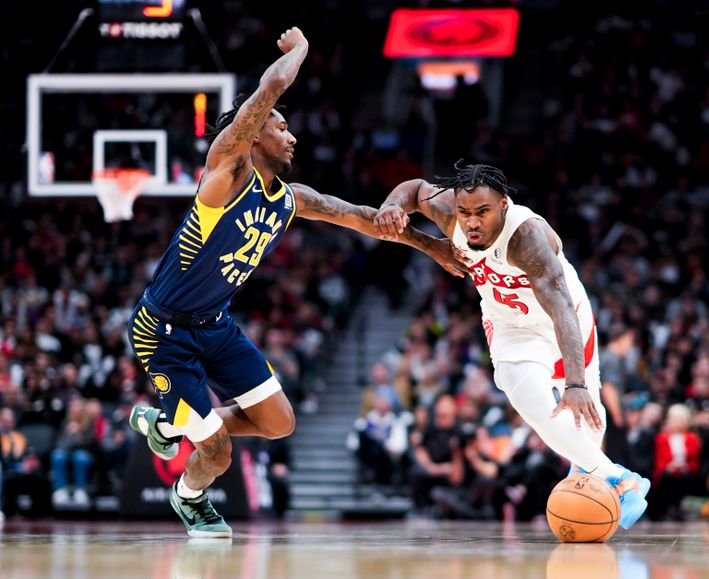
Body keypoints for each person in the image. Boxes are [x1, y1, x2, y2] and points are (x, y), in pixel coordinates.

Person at [127, 27, 468, 538]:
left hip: (215, 326)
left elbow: (363, 217)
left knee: (279, 422)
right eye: (281, 127)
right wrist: (303, 50)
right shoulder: (224, 171)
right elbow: (265, 95)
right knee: (217, 451)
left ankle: (168, 421)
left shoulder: (292, 198)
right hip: (164, 331)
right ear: (257, 130)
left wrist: (432, 245)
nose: (292, 136)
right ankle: (190, 495)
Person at [373, 161, 650, 528]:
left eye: (482, 212)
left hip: (562, 316)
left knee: (587, 415)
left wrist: (576, 383)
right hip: (508, 322)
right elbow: (415, 188)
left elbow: (561, 304)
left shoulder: (527, 235)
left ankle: (588, 472)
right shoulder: (449, 213)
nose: (471, 222)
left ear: (503, 204)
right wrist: (392, 204)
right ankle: (619, 479)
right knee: (530, 401)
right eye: (465, 212)